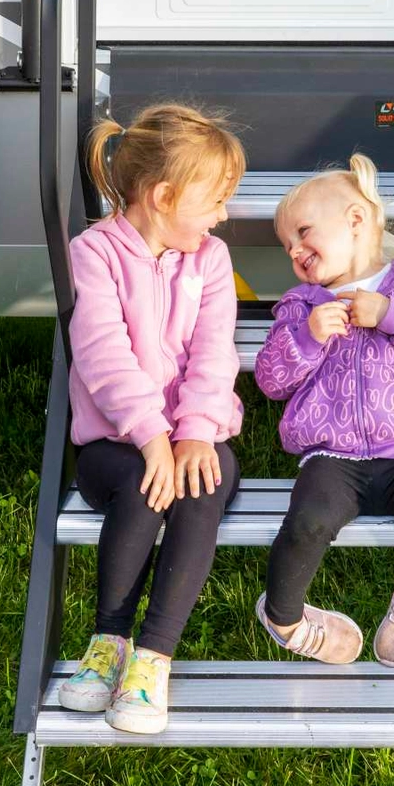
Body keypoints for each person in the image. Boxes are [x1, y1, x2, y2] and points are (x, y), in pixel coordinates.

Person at [58, 103, 246, 733]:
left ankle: (153, 659)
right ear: (164, 195)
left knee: (202, 484)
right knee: (142, 493)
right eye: (216, 200)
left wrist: (192, 432)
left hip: (196, 434)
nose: (224, 215)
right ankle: (108, 643)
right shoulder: (95, 253)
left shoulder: (210, 260)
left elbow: (216, 353)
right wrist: (152, 436)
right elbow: (102, 354)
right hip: (115, 441)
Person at [254, 154, 394, 667]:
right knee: (307, 520)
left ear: (355, 221)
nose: (296, 251)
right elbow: (269, 379)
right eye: (288, 247)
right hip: (332, 459)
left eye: (305, 233)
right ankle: (283, 618)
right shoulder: (301, 305)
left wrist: (391, 315)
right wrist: (307, 340)